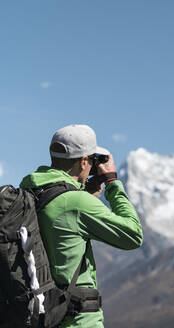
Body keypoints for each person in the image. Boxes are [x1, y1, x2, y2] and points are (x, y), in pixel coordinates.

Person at [20, 124, 143, 327]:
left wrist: (82, 193)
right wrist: (112, 183)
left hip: (41, 318)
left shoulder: (28, 193)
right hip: (77, 320)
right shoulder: (77, 203)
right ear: (84, 161)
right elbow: (133, 235)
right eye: (93, 160)